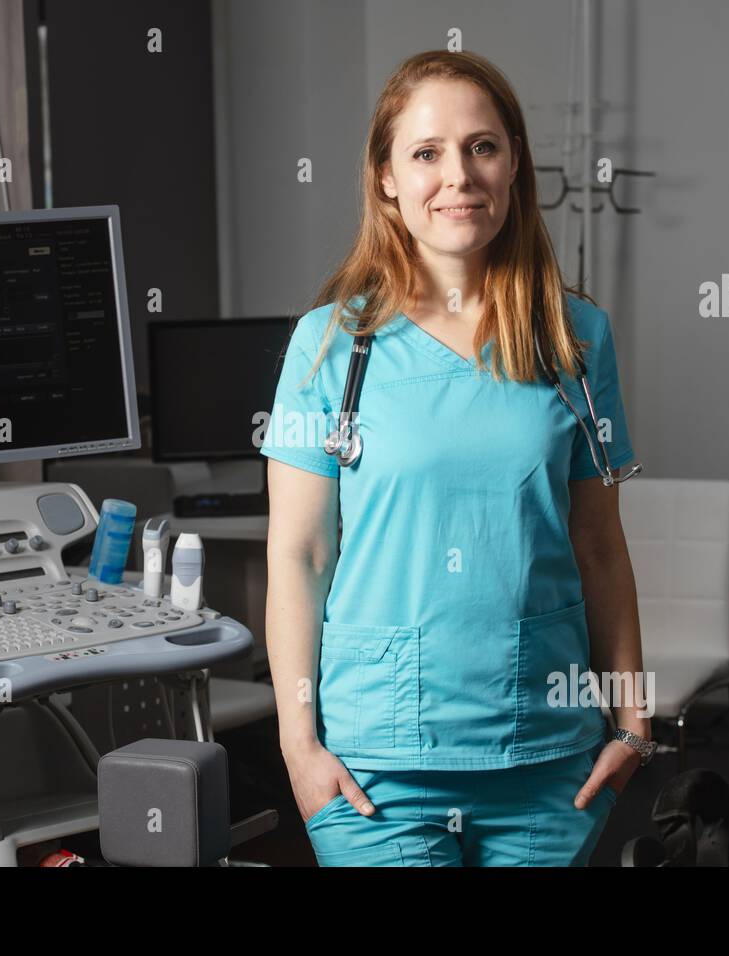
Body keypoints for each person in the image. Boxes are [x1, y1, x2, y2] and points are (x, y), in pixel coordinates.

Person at [260, 50, 651, 867]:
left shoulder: (577, 339)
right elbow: (298, 555)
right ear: (386, 181)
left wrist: (630, 716)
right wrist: (299, 745)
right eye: (427, 152)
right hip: (376, 769)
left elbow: (599, 545)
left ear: (514, 165)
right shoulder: (331, 345)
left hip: (549, 759)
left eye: (482, 147)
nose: (459, 177)